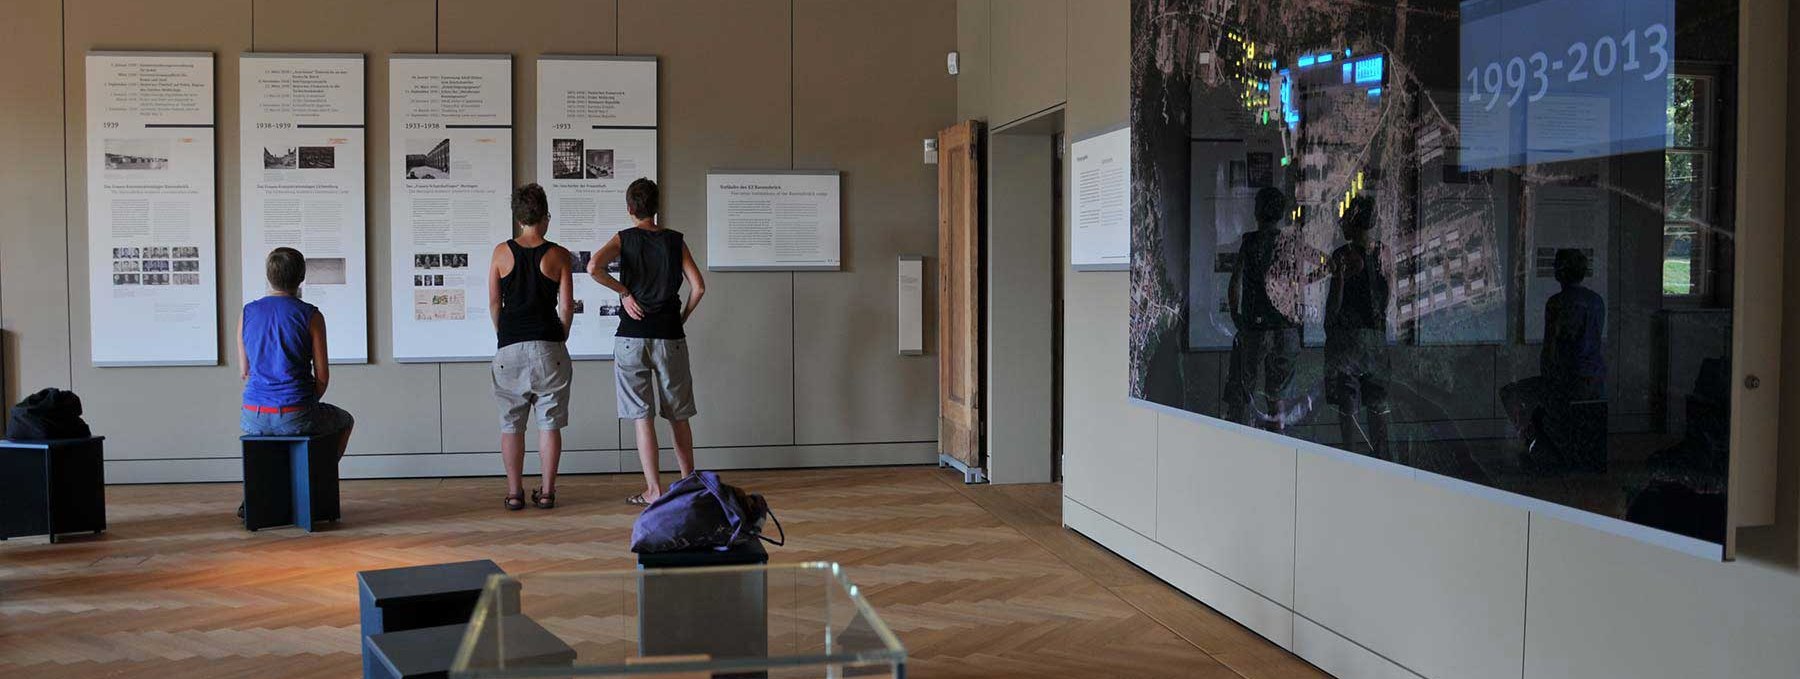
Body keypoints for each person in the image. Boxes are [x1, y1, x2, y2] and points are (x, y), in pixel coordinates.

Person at [589, 178, 706, 506]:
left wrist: (624, 292)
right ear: (656, 208)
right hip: (670, 334)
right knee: (678, 414)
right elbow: (698, 287)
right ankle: (688, 484)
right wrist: (681, 317)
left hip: (631, 336)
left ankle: (654, 490)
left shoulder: (624, 238)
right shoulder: (674, 241)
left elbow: (593, 267)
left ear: (630, 209)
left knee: (643, 416)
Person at [238, 247, 355, 517]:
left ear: (269, 276)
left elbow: (244, 370)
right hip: (296, 411)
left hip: (253, 415)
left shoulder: (247, 313)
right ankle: (316, 481)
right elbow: (323, 377)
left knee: (272, 438)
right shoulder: (311, 315)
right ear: (301, 278)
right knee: (344, 420)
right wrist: (304, 402)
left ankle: (259, 495)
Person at [488, 183, 576, 511]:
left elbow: (495, 302)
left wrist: (505, 334)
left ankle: (514, 493)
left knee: (511, 423)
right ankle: (548, 491)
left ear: (518, 216)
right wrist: (561, 335)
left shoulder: (500, 252)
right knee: (549, 421)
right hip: (549, 345)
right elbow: (566, 307)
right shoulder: (559, 255)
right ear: (545, 215)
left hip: (509, 345)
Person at [1501, 248, 1606, 460]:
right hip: (1594, 382)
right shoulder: (1596, 300)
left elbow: (1550, 349)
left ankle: (1534, 444)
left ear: (1562, 271)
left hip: (1567, 383)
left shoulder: (1557, 302)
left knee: (1510, 394)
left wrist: (1550, 380)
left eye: (1556, 266)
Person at [1221, 186, 1301, 430]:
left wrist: (1237, 316)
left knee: (1246, 393)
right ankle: (1278, 447)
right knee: (1277, 399)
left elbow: (1235, 282)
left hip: (1255, 328)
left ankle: (1244, 447)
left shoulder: (1251, 241)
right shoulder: (1289, 243)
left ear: (1257, 211)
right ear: (1280, 214)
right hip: (1284, 329)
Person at [1324, 195, 1391, 457]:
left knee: (1348, 407)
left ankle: (1349, 459)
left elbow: (1335, 303)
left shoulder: (1342, 255)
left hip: (1347, 340)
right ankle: (1381, 460)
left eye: (1346, 217)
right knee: (1377, 405)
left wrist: (1330, 322)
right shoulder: (1383, 253)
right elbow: (1387, 297)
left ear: (1353, 221)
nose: (1341, 223)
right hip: (1375, 338)